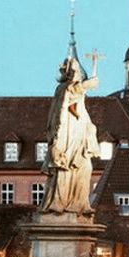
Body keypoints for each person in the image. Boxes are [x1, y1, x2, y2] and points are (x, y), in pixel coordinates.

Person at [39, 57, 100, 215]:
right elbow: (72, 92)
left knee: (86, 167)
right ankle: (58, 202)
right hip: (66, 134)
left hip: (79, 134)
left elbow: (79, 100)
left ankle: (79, 203)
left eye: (78, 71)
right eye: (74, 71)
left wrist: (90, 131)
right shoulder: (63, 89)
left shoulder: (77, 91)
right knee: (64, 168)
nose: (77, 73)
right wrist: (88, 84)